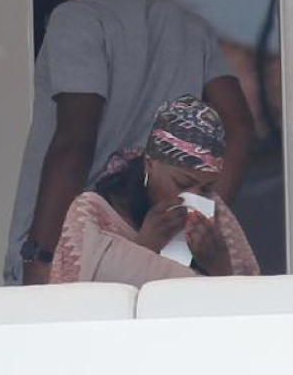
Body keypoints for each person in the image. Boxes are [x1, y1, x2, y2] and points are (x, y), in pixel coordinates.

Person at [4, 0, 255, 286]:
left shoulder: (76, 20)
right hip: (159, 256)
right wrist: (194, 220)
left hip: (84, 257)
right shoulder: (190, 28)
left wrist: (40, 255)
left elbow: (74, 142)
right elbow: (241, 129)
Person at [50, 95, 259, 286]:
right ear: (149, 164)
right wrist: (144, 248)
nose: (193, 196)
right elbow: (76, 299)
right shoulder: (93, 213)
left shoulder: (215, 213)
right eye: (182, 183)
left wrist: (219, 265)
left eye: (205, 188)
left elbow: (249, 302)